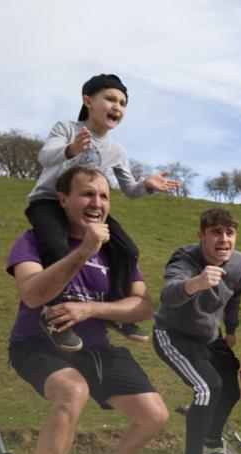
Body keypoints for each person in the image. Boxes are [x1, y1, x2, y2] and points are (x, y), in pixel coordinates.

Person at [7, 166, 168, 454]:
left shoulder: (118, 252)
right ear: (63, 199)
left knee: (154, 415)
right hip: (38, 344)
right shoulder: (32, 241)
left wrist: (91, 309)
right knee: (71, 391)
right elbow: (31, 294)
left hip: (97, 348)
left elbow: (143, 307)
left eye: (104, 196)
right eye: (86, 194)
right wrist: (83, 252)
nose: (96, 203)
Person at [25, 74, 180, 352]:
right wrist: (71, 149)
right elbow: (44, 157)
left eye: (122, 103)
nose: (117, 107)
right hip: (48, 201)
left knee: (127, 249)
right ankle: (56, 316)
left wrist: (147, 185)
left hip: (89, 208)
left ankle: (115, 311)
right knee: (56, 246)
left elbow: (130, 190)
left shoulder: (116, 150)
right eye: (110, 99)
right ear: (88, 101)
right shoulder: (67, 128)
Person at [152, 208, 241, 454]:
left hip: (210, 334)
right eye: (216, 232)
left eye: (229, 232)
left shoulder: (239, 262)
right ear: (201, 236)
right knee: (208, 387)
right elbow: (168, 292)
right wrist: (195, 283)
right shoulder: (185, 259)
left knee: (231, 385)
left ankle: (210, 441)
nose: (224, 239)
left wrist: (230, 329)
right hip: (174, 333)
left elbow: (235, 295)